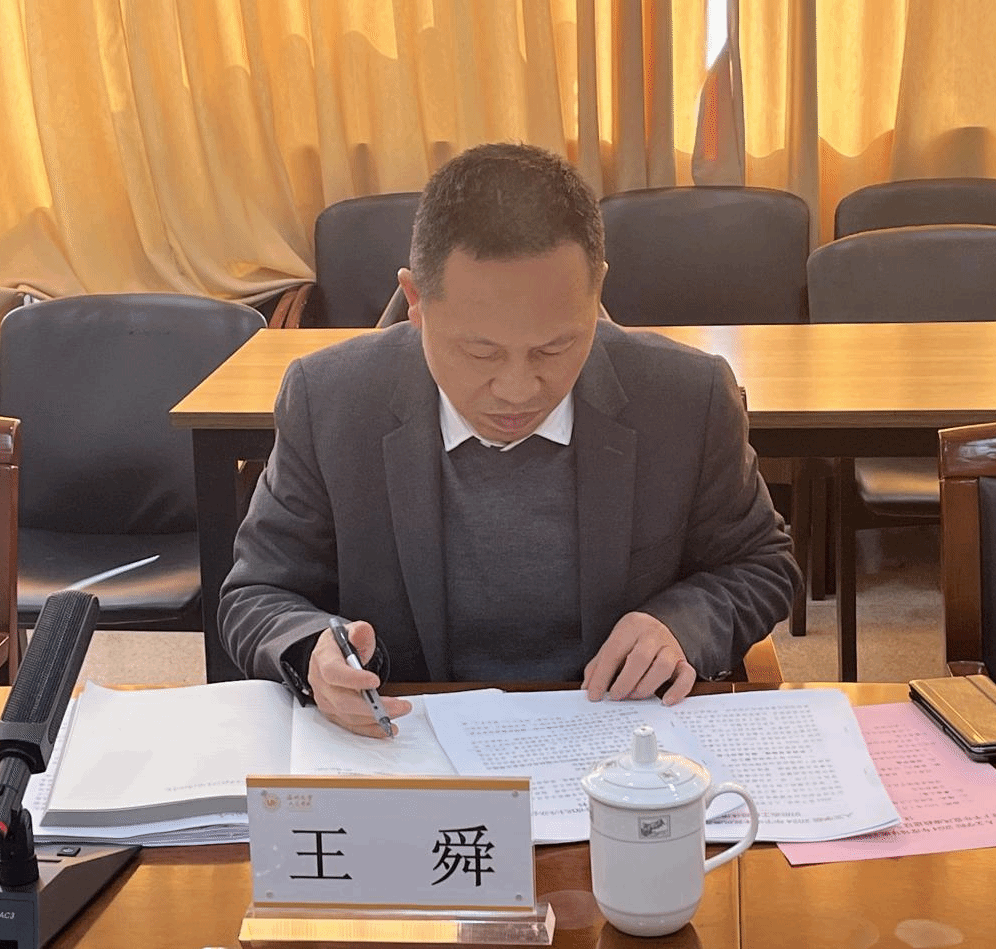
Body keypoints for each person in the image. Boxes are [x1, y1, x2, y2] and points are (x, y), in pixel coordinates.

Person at [220, 142, 800, 737]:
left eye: (555, 347)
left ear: (596, 289)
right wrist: (312, 650)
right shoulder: (331, 400)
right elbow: (259, 591)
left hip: (620, 743)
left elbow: (761, 565)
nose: (518, 390)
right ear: (415, 301)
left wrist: (681, 625)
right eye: (481, 352)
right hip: (410, 742)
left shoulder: (685, 397)